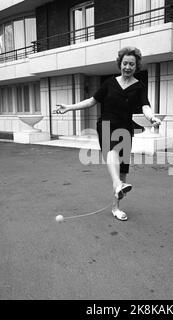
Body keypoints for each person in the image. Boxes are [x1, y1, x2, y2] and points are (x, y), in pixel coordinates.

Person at [53, 46, 162, 221]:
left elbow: (145, 106)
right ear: (120, 64)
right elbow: (91, 101)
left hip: (125, 128)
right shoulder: (110, 83)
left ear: (136, 66)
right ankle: (117, 184)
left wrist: (152, 118)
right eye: (125, 63)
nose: (128, 67)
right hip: (106, 124)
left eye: (131, 64)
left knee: (123, 171)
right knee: (112, 152)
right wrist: (69, 107)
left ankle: (115, 206)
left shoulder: (139, 86)